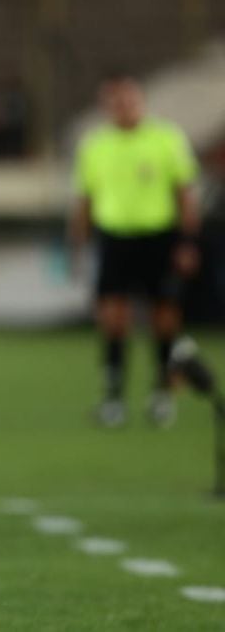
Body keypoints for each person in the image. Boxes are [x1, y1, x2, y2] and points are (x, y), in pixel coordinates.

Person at [70, 73, 200, 428]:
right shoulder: (94, 145)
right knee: (113, 320)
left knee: (164, 318)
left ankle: (162, 394)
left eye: (128, 100)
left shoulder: (166, 139)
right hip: (114, 238)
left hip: (159, 237)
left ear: (140, 101)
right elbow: (84, 199)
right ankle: (114, 398)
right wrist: (77, 245)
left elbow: (185, 193)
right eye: (115, 101)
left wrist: (188, 242)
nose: (122, 107)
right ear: (106, 106)